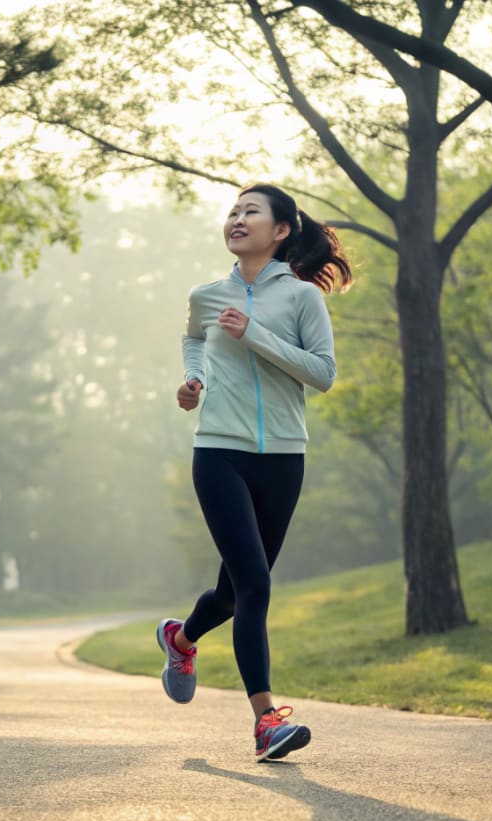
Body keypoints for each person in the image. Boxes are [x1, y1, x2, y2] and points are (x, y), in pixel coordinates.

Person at [158, 182, 352, 762]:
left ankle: (180, 638)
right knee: (256, 586)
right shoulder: (206, 295)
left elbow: (322, 373)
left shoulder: (300, 299)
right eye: (233, 212)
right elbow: (194, 339)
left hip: (284, 458)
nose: (237, 219)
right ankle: (266, 720)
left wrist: (257, 335)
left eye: (251, 212)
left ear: (282, 230)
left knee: (232, 589)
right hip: (218, 452)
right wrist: (196, 384)